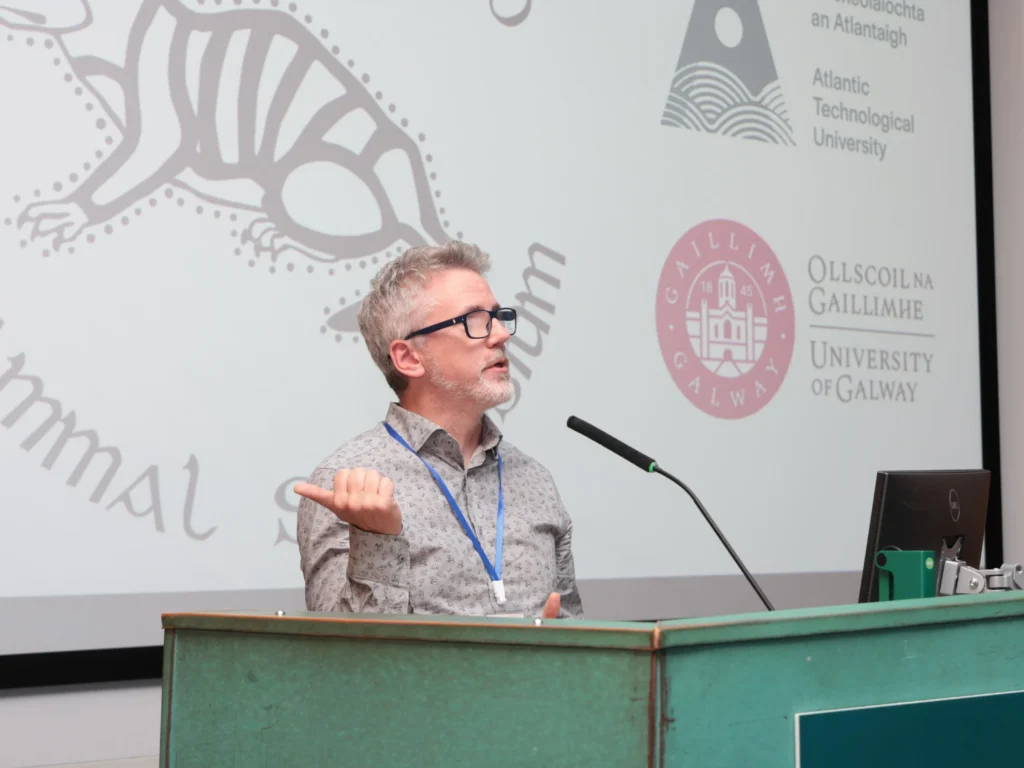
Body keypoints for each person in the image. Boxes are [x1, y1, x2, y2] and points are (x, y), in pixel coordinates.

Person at [294, 241, 584, 619]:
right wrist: (376, 539)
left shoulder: (535, 481)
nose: (501, 335)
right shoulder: (346, 484)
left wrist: (562, 642)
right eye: (475, 321)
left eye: (498, 317)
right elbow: (343, 658)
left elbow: (577, 631)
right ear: (409, 358)